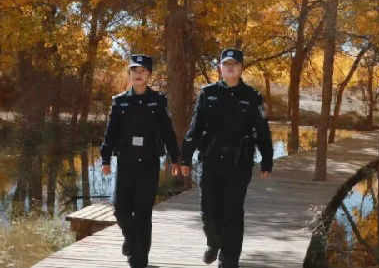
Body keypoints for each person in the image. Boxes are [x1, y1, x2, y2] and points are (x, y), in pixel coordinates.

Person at [180, 48, 273, 268]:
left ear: (241, 68)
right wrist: (185, 157)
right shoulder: (208, 94)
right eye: (226, 64)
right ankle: (214, 242)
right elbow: (195, 128)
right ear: (220, 68)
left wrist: (267, 160)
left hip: (239, 163)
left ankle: (229, 261)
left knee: (232, 213)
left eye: (235, 64)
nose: (230, 68)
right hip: (210, 161)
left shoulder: (252, 96)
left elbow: (262, 130)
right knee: (208, 213)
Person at [101, 54, 181, 268]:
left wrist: (175, 157)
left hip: (148, 163)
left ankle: (140, 258)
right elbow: (111, 133)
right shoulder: (120, 101)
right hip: (126, 163)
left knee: (143, 212)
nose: (138, 74)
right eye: (135, 70)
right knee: (121, 210)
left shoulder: (158, 100)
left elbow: (167, 131)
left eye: (143, 70)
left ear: (149, 75)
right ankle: (130, 237)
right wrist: (105, 158)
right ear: (129, 74)